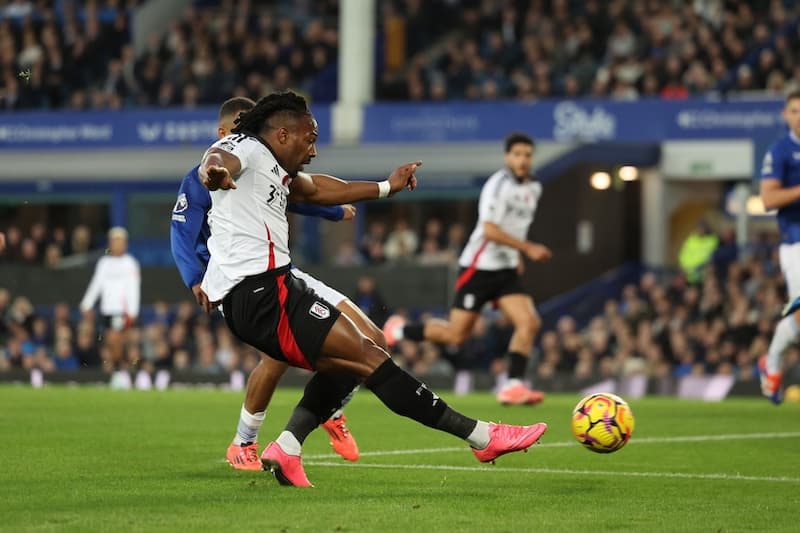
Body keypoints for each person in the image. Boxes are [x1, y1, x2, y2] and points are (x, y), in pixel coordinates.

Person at [200, 91, 547, 487]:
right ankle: (483, 437)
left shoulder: (272, 166)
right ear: (282, 135)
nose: (313, 150)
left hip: (272, 287)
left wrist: (385, 187)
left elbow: (317, 190)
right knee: (369, 358)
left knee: (361, 350)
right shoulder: (241, 147)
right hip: (261, 294)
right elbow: (215, 160)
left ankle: (288, 446)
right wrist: (213, 171)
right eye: (309, 139)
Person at [171, 96, 380, 469]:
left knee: (371, 338)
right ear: (222, 135)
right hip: (234, 278)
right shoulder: (204, 174)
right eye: (239, 127)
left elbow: (293, 196)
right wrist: (195, 279)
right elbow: (181, 231)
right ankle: (246, 441)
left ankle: (327, 407)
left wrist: (333, 212)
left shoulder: (266, 164)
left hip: (279, 270)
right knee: (279, 355)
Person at [383, 132, 551, 406]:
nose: (522, 160)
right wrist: (526, 248)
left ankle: (513, 385)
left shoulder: (534, 188)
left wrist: (516, 255)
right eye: (517, 154)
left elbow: (515, 226)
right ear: (508, 157)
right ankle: (399, 330)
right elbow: (489, 229)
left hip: (506, 270)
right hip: (479, 268)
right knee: (456, 335)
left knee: (529, 322)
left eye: (527, 155)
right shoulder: (497, 186)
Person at [758, 90, 800, 405]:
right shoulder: (781, 151)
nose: (799, 116)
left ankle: (770, 363)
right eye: (794, 111)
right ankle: (772, 363)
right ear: (786, 115)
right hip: (795, 241)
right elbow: (769, 199)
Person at [79, 227, 140, 369]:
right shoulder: (104, 263)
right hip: (106, 310)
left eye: (120, 241)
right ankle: (118, 368)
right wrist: (86, 304)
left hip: (122, 311)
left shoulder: (130, 263)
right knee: (110, 343)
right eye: (114, 241)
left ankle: (119, 368)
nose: (117, 244)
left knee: (116, 340)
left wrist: (133, 312)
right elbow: (96, 284)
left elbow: (133, 289)